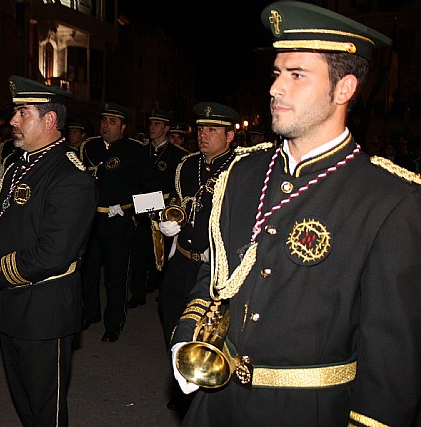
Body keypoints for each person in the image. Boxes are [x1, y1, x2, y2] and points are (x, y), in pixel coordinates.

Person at [170, 2, 421, 425]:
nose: (275, 89)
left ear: (344, 89)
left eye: (297, 74)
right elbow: (215, 279)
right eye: (276, 73)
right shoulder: (242, 173)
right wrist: (186, 340)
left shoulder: (389, 199)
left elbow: (391, 361)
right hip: (215, 405)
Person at [0, 75, 96, 426]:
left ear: (49, 120)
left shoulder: (70, 174)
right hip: (10, 301)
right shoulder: (18, 165)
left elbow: (54, 253)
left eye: (23, 112)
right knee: (23, 401)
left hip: (44, 306)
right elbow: (7, 220)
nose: (12, 121)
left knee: (45, 408)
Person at [158, 102, 246, 413]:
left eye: (212, 129)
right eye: (201, 128)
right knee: (172, 319)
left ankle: (202, 397)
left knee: (208, 330)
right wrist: (168, 222)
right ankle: (182, 379)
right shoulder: (186, 164)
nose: (204, 135)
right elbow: (177, 201)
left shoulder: (240, 168)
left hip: (215, 266)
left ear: (230, 135)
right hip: (182, 258)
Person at [79, 102, 158, 342]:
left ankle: (114, 322)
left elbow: (152, 187)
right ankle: (90, 312)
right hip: (91, 221)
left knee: (115, 274)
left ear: (123, 127)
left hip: (120, 220)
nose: (106, 125)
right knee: (88, 271)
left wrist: (138, 216)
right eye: (104, 120)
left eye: (113, 122)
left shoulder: (136, 150)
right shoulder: (88, 147)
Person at [128, 109, 187, 308]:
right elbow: (134, 181)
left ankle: (163, 291)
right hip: (142, 211)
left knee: (164, 256)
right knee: (138, 253)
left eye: (157, 124)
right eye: (151, 123)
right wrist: (136, 209)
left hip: (164, 213)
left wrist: (157, 205)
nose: (152, 127)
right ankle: (137, 293)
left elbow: (176, 188)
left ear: (166, 128)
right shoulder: (140, 152)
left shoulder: (178, 155)